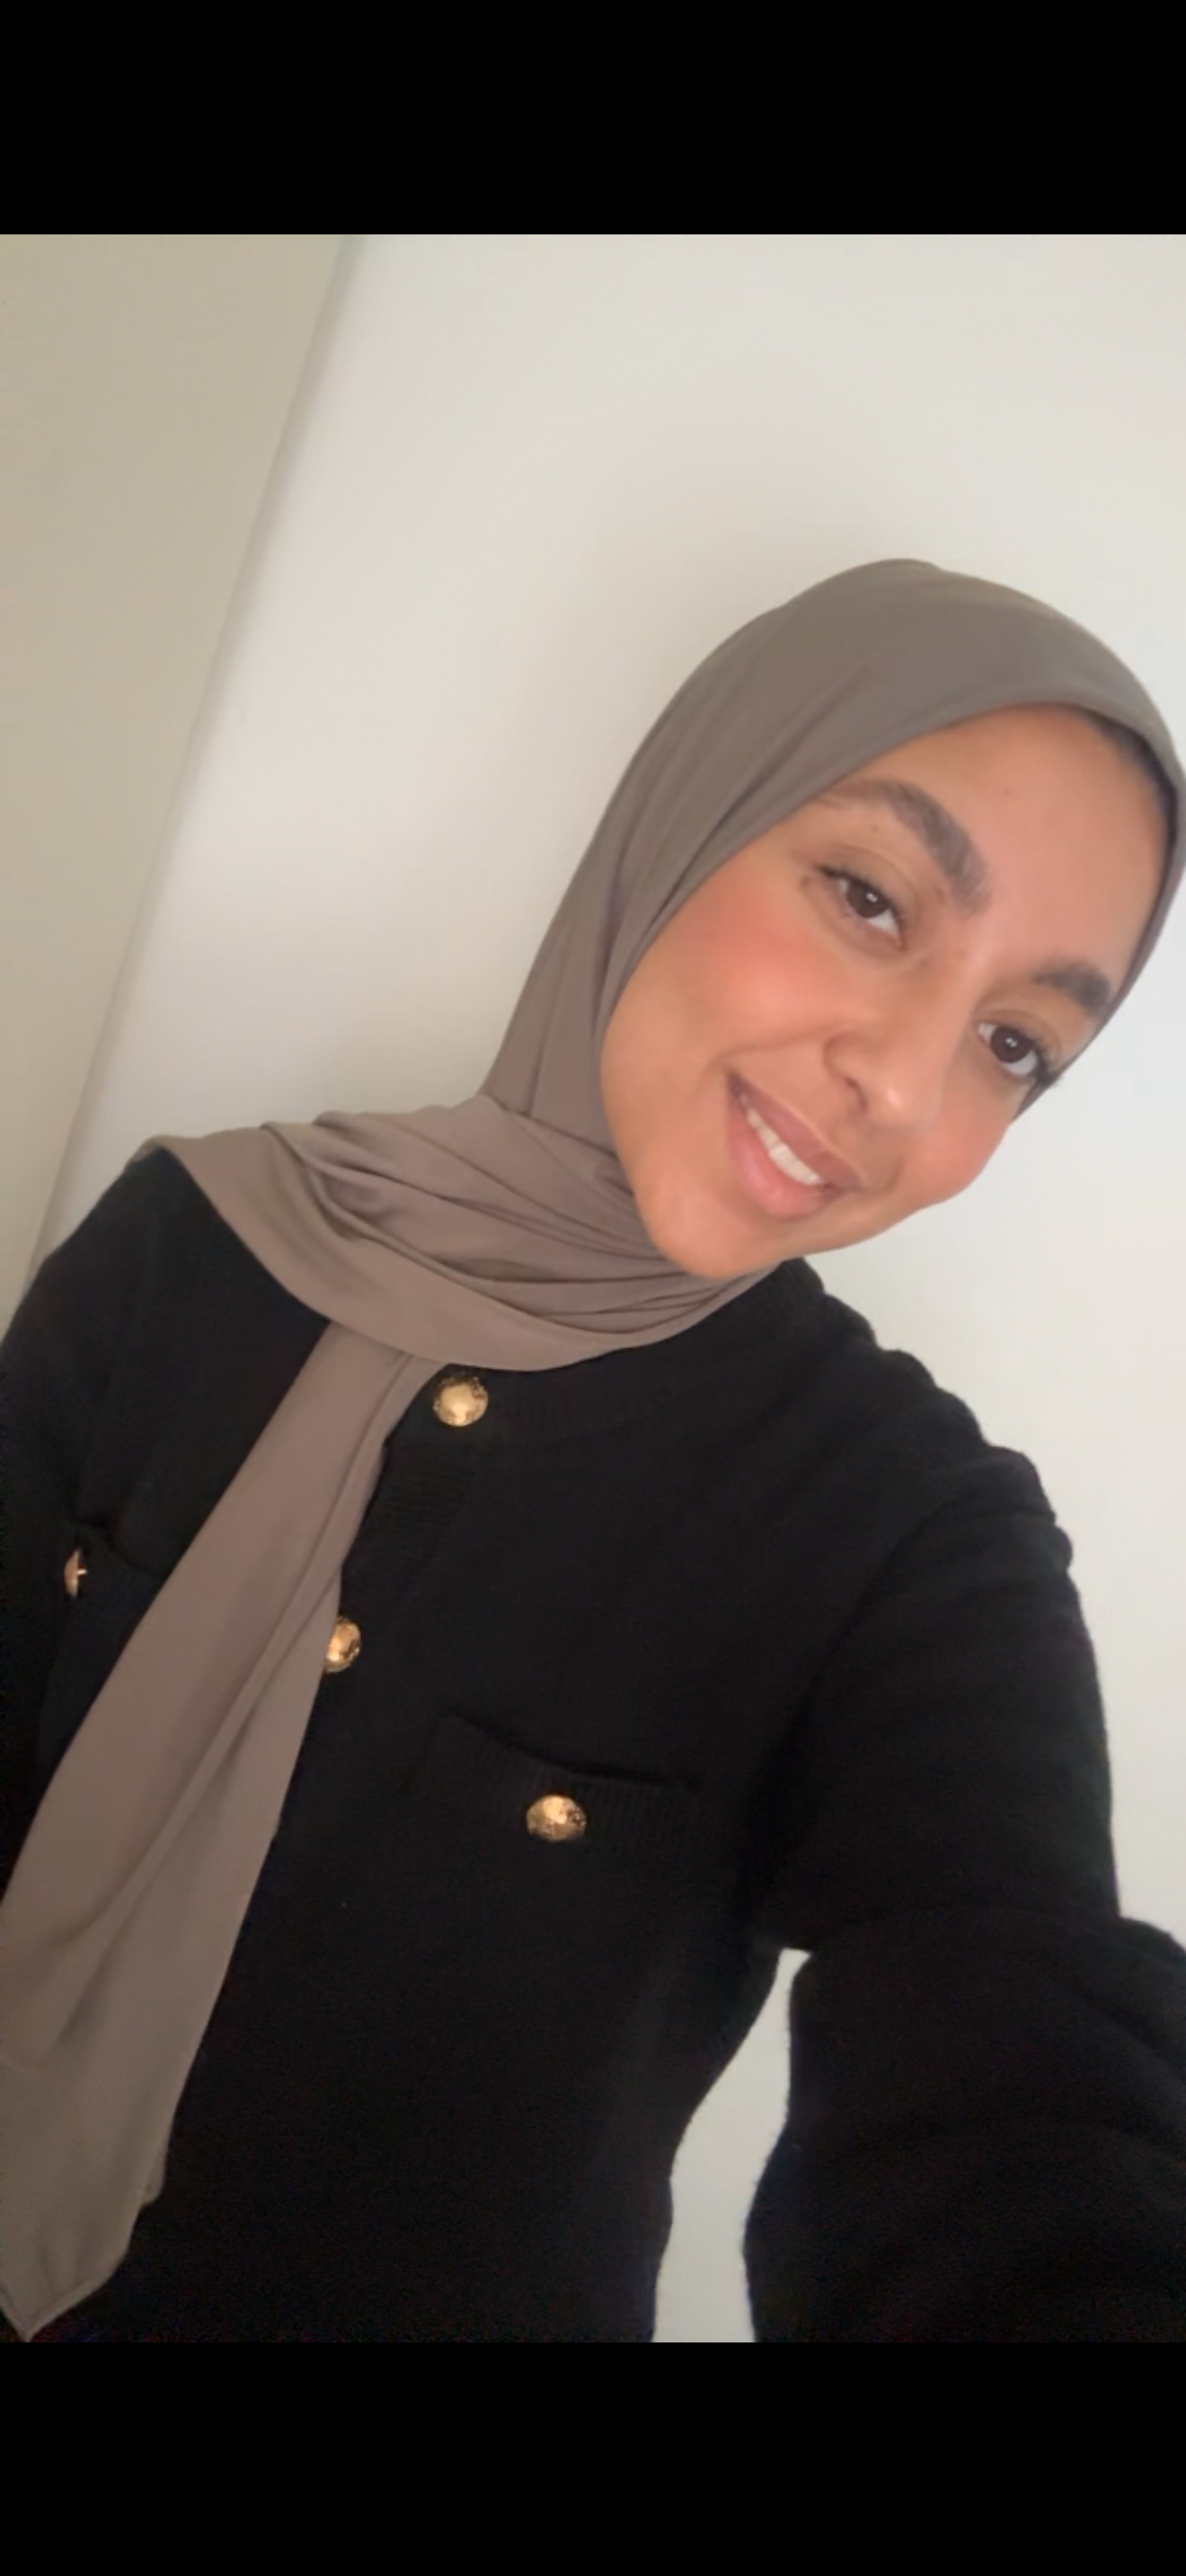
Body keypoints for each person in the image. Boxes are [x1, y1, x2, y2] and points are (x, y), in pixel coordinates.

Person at [3, 558, 1185, 2343]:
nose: (903, 1081)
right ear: (679, 820)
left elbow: (1012, 2062)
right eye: (871, 899)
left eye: (1016, 1043)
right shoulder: (195, 1248)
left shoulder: (906, 1535)